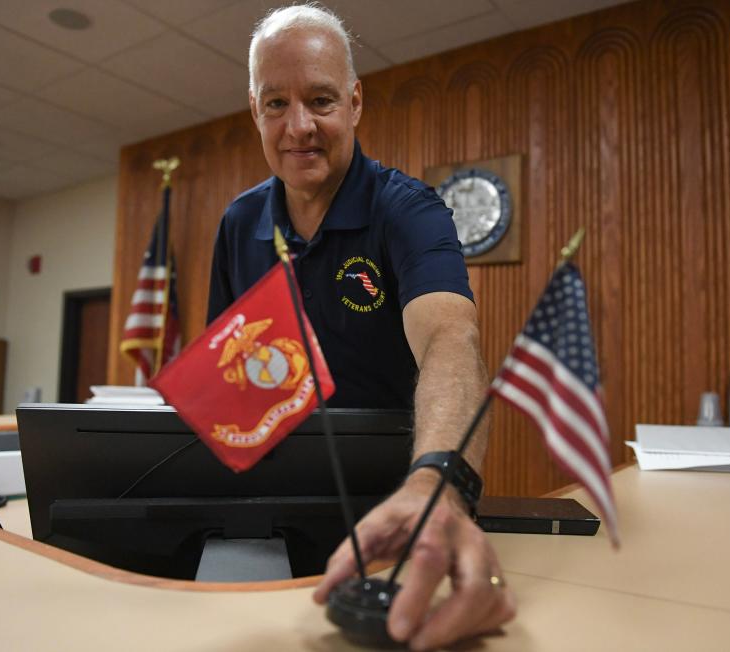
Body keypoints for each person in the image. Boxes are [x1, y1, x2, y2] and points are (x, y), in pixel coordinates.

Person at [206, 5, 516, 650]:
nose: (299, 127)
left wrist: (438, 484)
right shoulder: (239, 223)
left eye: (320, 100)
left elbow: (450, 338)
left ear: (354, 103)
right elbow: (226, 376)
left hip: (396, 506)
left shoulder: (409, 210)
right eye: (275, 104)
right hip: (270, 505)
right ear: (254, 111)